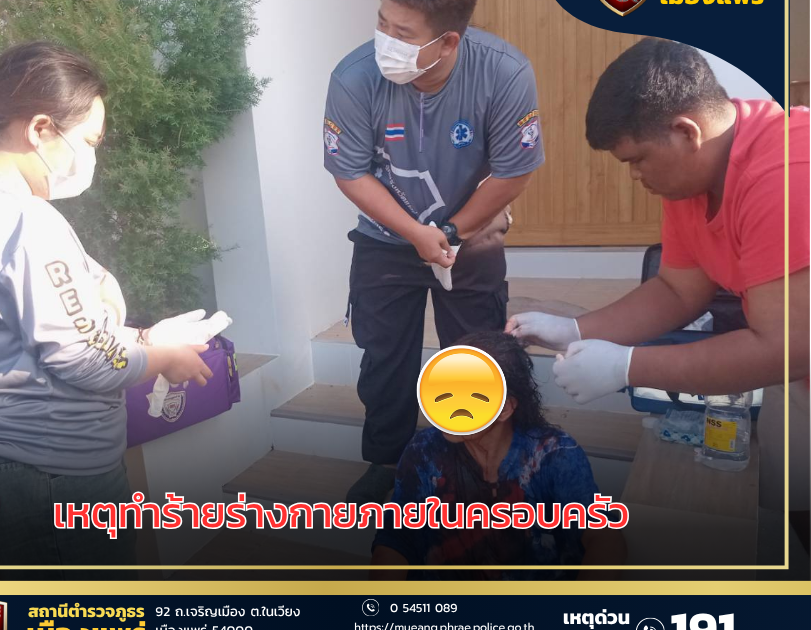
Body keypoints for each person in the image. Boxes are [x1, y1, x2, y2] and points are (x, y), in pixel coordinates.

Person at [0, 42, 212, 579]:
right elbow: (85, 359)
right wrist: (162, 357)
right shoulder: (22, 220)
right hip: (41, 480)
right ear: (40, 129)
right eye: (90, 141)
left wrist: (128, 330)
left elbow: (31, 318)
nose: (91, 157)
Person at [507, 38, 810, 553]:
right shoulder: (692, 177)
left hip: (794, 354)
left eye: (639, 159)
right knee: (793, 504)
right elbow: (677, 290)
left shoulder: (786, 173)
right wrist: (574, 330)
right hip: (797, 374)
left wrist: (627, 367)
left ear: (686, 132)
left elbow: (785, 347)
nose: (635, 176)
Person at [323, 0, 544, 504]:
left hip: (472, 234)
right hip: (385, 238)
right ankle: (387, 461)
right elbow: (350, 172)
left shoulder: (503, 72)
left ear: (447, 42)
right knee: (384, 356)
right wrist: (415, 233)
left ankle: (474, 463)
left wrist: (451, 230)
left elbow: (514, 170)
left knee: (474, 356)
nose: (385, 41)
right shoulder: (353, 78)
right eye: (382, 23)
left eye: (402, 33)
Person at [370, 332, 626, 580]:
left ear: (505, 408)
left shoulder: (553, 455)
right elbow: (397, 538)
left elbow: (605, 538)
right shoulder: (423, 450)